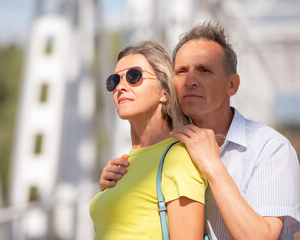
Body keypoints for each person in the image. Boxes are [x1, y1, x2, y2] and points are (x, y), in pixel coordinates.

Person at [99, 23, 300, 240]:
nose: (190, 81)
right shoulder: (170, 151)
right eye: (181, 71)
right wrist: (116, 185)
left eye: (204, 70)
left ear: (232, 85)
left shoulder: (271, 147)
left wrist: (212, 165)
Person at [90, 40, 207, 239]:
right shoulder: (125, 163)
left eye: (133, 76)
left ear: (164, 92)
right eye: (114, 81)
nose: (121, 87)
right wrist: (106, 192)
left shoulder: (178, 158)